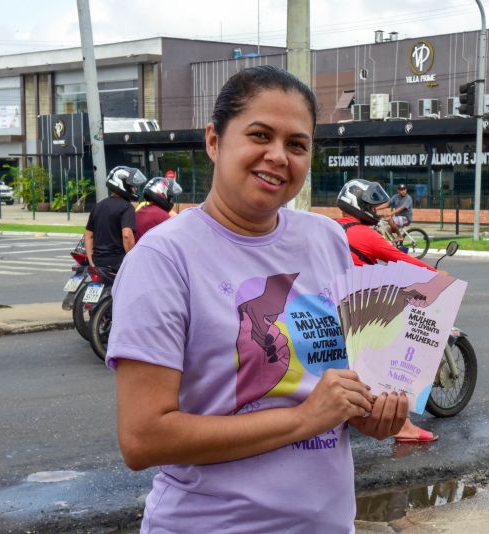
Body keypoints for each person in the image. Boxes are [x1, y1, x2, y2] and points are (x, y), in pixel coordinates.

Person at [106, 65, 409, 533]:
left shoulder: (327, 239)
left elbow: (338, 389)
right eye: (260, 135)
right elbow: (143, 438)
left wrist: (370, 414)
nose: (277, 156)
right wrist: (306, 418)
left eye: (296, 144)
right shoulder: (163, 258)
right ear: (214, 140)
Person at [336, 178, 440, 444]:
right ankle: (403, 426)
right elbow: (404, 261)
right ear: (357, 205)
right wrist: (438, 277)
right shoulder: (364, 234)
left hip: (334, 307)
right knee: (391, 356)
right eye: (370, 206)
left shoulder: (334, 229)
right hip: (357, 311)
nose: (375, 211)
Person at [83, 166, 147, 272]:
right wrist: (133, 260)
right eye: (132, 186)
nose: (135, 189)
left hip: (98, 262)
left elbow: (88, 236)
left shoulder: (98, 206)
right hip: (117, 262)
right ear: (122, 184)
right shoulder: (127, 207)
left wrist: (91, 261)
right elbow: (127, 236)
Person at [134, 177, 182, 241]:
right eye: (170, 198)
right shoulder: (162, 215)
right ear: (162, 193)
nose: (171, 201)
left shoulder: (140, 211)